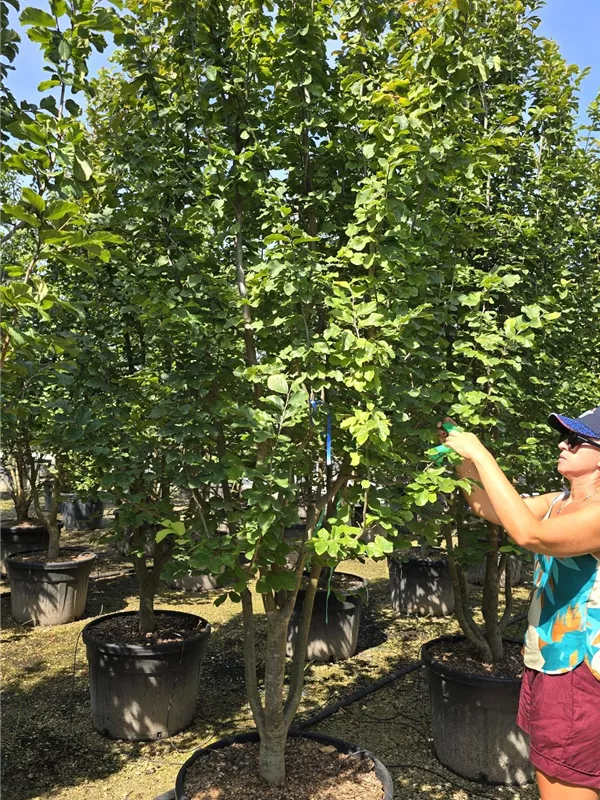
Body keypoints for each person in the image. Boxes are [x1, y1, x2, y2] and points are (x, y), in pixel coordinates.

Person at [439, 408, 600, 800]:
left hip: (580, 670)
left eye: (576, 440)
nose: (563, 444)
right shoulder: (558, 501)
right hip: (550, 659)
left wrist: (482, 455)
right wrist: (461, 462)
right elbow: (490, 509)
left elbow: (531, 535)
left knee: (565, 784)